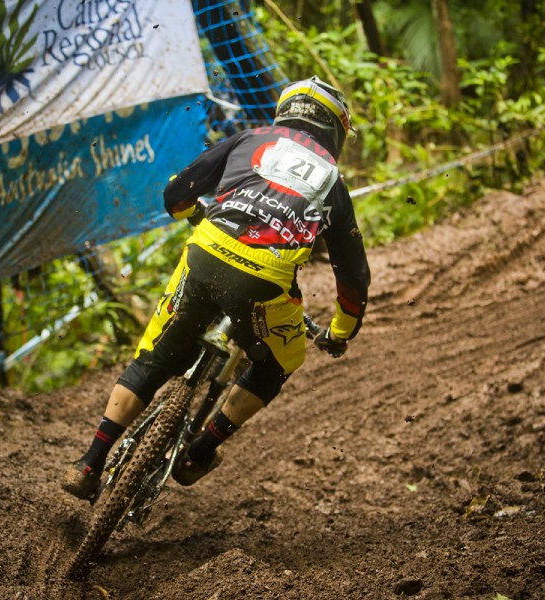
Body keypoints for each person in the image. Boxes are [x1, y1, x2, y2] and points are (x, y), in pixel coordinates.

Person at [63, 76, 371, 500]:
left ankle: (88, 462)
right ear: (335, 128)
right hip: (264, 279)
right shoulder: (333, 181)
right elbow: (352, 273)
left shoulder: (251, 137)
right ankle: (198, 453)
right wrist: (340, 331)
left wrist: (191, 211)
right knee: (279, 361)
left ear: (288, 111)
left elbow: (176, 192)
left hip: (207, 252)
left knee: (155, 356)